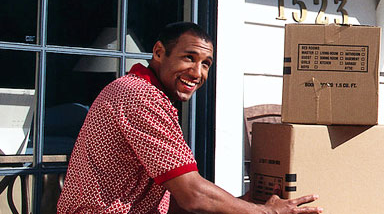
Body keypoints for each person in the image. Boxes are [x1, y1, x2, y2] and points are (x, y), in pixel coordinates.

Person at [58, 22, 321, 214]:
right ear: (159, 52)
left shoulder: (135, 90)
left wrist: (242, 204)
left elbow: (169, 200)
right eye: (189, 58)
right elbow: (192, 194)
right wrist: (269, 212)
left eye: (206, 63)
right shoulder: (141, 96)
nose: (197, 72)